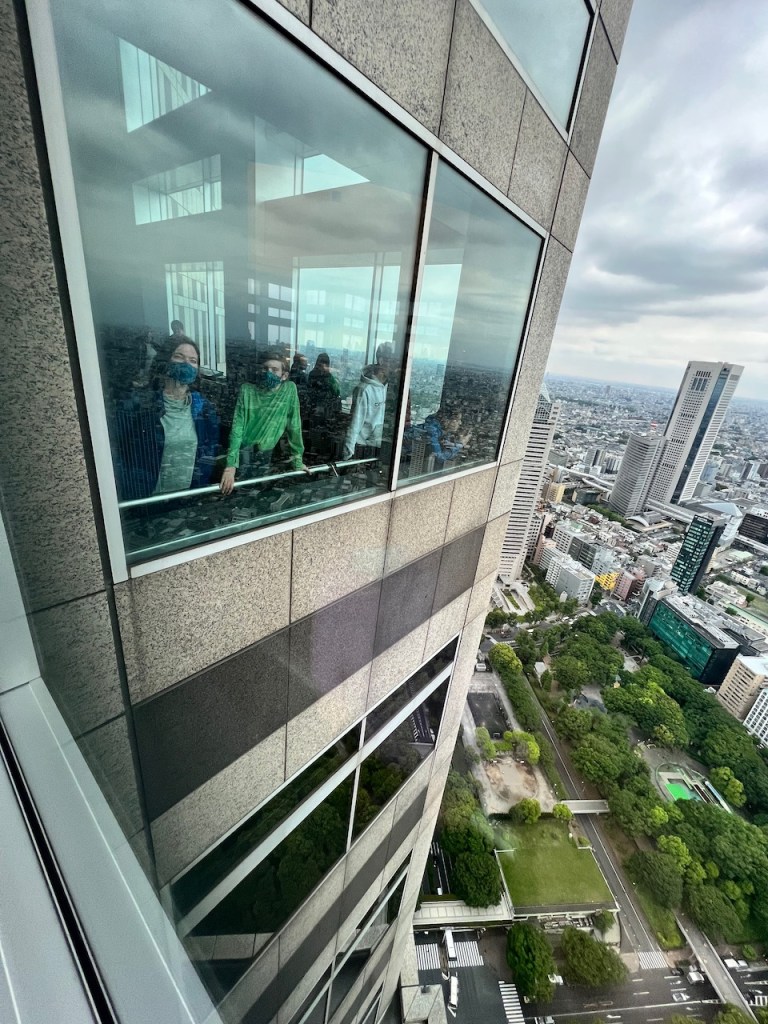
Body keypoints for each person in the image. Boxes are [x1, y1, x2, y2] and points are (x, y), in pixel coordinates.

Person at [114, 338, 220, 500]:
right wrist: (131, 489)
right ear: (165, 361)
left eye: (193, 361)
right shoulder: (140, 405)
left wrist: (198, 488)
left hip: (186, 499)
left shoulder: (203, 408)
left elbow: (209, 451)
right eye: (179, 357)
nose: (186, 364)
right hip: (146, 501)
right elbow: (119, 453)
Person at [220, 350, 305, 494]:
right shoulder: (247, 390)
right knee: (241, 490)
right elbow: (237, 427)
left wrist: (298, 461)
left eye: (274, 370)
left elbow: (294, 426)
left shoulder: (289, 390)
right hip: (244, 450)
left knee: (258, 490)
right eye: (265, 369)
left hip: (267, 452)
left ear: (284, 375)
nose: (268, 373)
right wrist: (230, 466)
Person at [343, 343, 394, 460]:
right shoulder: (364, 390)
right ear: (381, 361)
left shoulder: (388, 387)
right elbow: (355, 423)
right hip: (363, 448)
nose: (395, 367)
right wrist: (347, 455)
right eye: (393, 362)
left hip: (378, 447)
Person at [407, 406, 471, 466]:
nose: (460, 423)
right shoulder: (432, 430)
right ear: (446, 420)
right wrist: (460, 445)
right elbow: (439, 458)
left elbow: (446, 446)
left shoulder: (443, 431)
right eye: (457, 420)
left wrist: (456, 445)